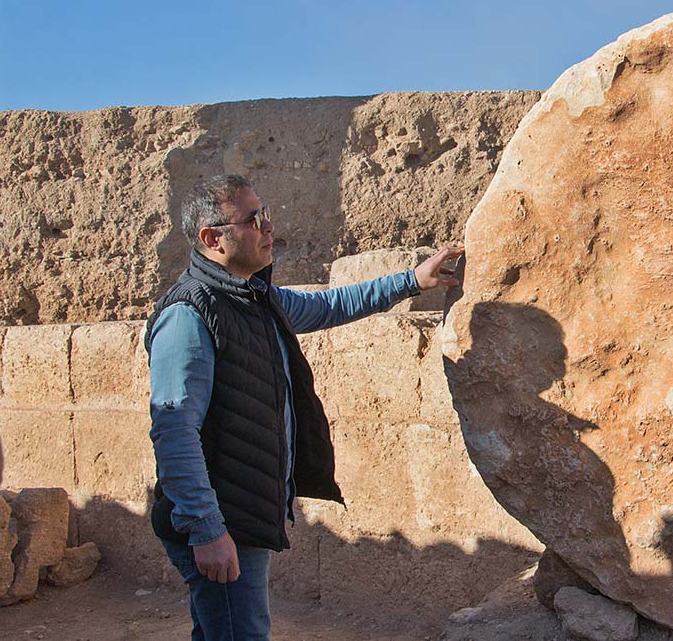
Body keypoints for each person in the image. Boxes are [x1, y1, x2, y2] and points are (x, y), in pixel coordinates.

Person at [145, 173, 462, 639]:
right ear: (213, 239)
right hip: (225, 520)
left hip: (244, 511)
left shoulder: (254, 299)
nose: (268, 227)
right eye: (253, 220)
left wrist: (414, 280)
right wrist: (207, 530)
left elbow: (330, 304)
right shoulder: (189, 314)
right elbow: (174, 432)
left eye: (265, 214)